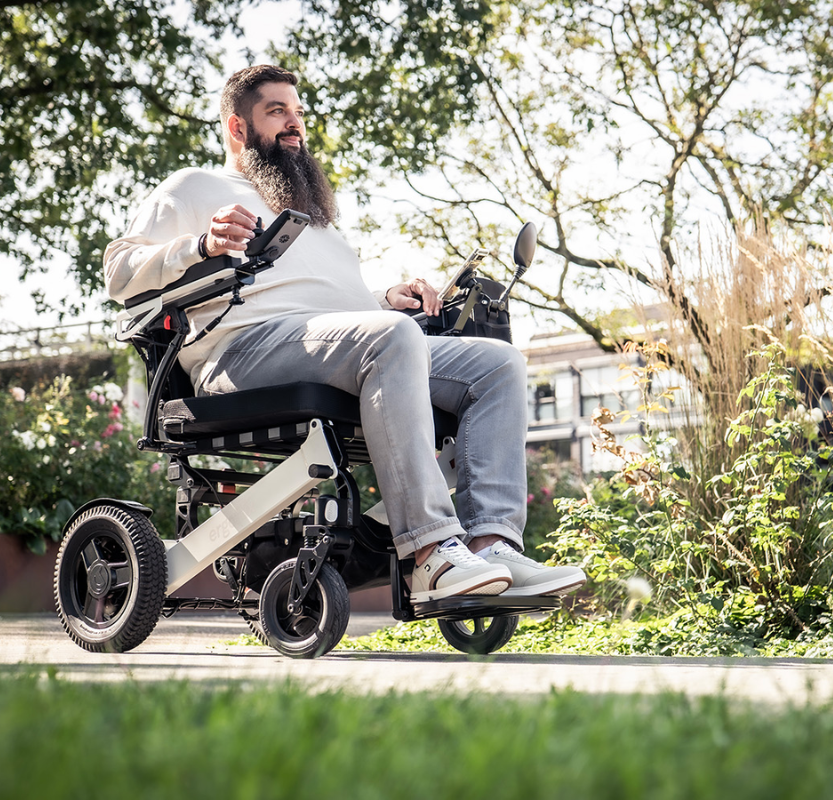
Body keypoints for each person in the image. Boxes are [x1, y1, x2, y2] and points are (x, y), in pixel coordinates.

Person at [104, 64, 584, 603]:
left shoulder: (313, 215)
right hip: (242, 352)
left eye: (298, 112)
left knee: (497, 364)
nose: (295, 123)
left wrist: (385, 300)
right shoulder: (195, 187)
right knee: (391, 336)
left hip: (328, 347)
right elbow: (118, 271)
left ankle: (491, 544)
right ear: (237, 127)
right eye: (277, 111)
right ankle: (430, 554)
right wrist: (201, 245)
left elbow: (329, 310)